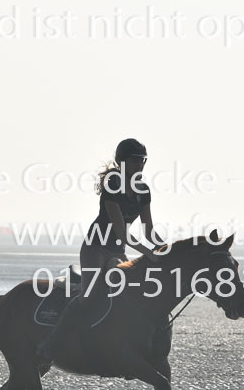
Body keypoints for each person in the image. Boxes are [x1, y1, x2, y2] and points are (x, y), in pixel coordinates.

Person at [36, 138, 162, 362]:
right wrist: (148, 253)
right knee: (90, 295)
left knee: (131, 290)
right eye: (135, 161)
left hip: (116, 251)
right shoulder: (113, 183)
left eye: (143, 161)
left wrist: (163, 249)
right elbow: (122, 232)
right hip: (95, 248)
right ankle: (53, 342)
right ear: (122, 162)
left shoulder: (143, 190)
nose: (140, 166)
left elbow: (149, 231)